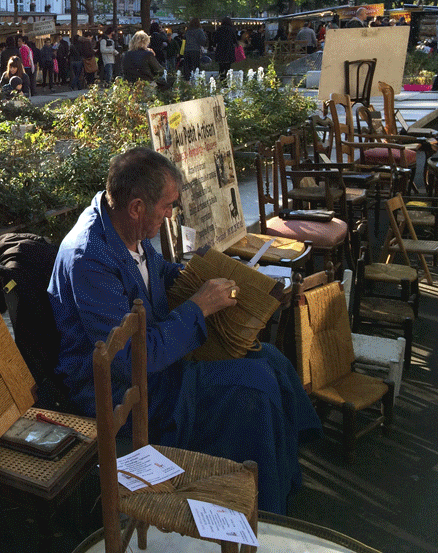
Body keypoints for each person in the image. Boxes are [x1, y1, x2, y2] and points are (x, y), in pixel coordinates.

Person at [48, 146, 320, 514]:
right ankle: (260, 511)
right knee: (249, 386)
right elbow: (126, 360)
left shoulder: (124, 225)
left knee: (269, 359)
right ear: (137, 207)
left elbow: (161, 273)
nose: (171, 214)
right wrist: (198, 308)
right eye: (167, 206)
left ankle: (282, 477)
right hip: (120, 389)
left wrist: (214, 279)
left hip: (157, 358)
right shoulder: (89, 260)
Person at [212, 17, 237, 81]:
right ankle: (226, 80)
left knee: (221, 66)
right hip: (229, 50)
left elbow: (215, 40)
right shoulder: (232, 29)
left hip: (221, 49)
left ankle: (221, 79)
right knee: (228, 66)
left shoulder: (219, 29)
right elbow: (235, 40)